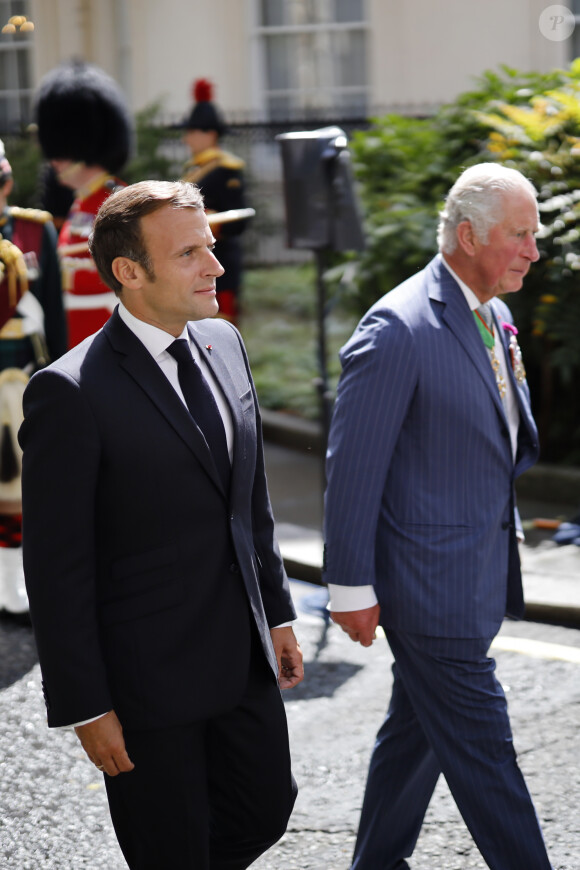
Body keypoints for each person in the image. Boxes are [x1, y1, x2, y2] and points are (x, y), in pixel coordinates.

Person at [18, 179, 303, 869]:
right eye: (190, 253)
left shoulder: (226, 344)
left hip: (242, 658)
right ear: (129, 272)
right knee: (169, 851)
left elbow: (250, 501)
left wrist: (278, 613)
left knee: (267, 809)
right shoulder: (68, 393)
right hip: (146, 685)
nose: (215, 266)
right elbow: (57, 569)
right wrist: (86, 706)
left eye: (209, 246)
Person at [323, 163, 554, 870]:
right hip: (429, 590)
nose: (533, 251)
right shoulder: (398, 327)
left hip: (473, 572)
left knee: (415, 735)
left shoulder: (497, 314)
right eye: (519, 235)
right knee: (487, 758)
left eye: (534, 234)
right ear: (465, 235)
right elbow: (352, 467)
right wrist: (350, 588)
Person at [0, 140, 66, 619]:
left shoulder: (32, 229)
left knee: (26, 489)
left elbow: (56, 315)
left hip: (25, 376)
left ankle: (20, 587)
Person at [35, 60, 132, 348]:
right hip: (77, 335)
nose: (54, 161)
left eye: (61, 152)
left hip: (105, 333)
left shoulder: (117, 201)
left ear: (81, 147)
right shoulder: (80, 203)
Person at [178, 78, 249, 327]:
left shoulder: (226, 170)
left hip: (221, 260)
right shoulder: (195, 170)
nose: (187, 140)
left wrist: (204, 221)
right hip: (192, 261)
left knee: (221, 328)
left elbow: (237, 222)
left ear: (209, 133)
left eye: (191, 133)